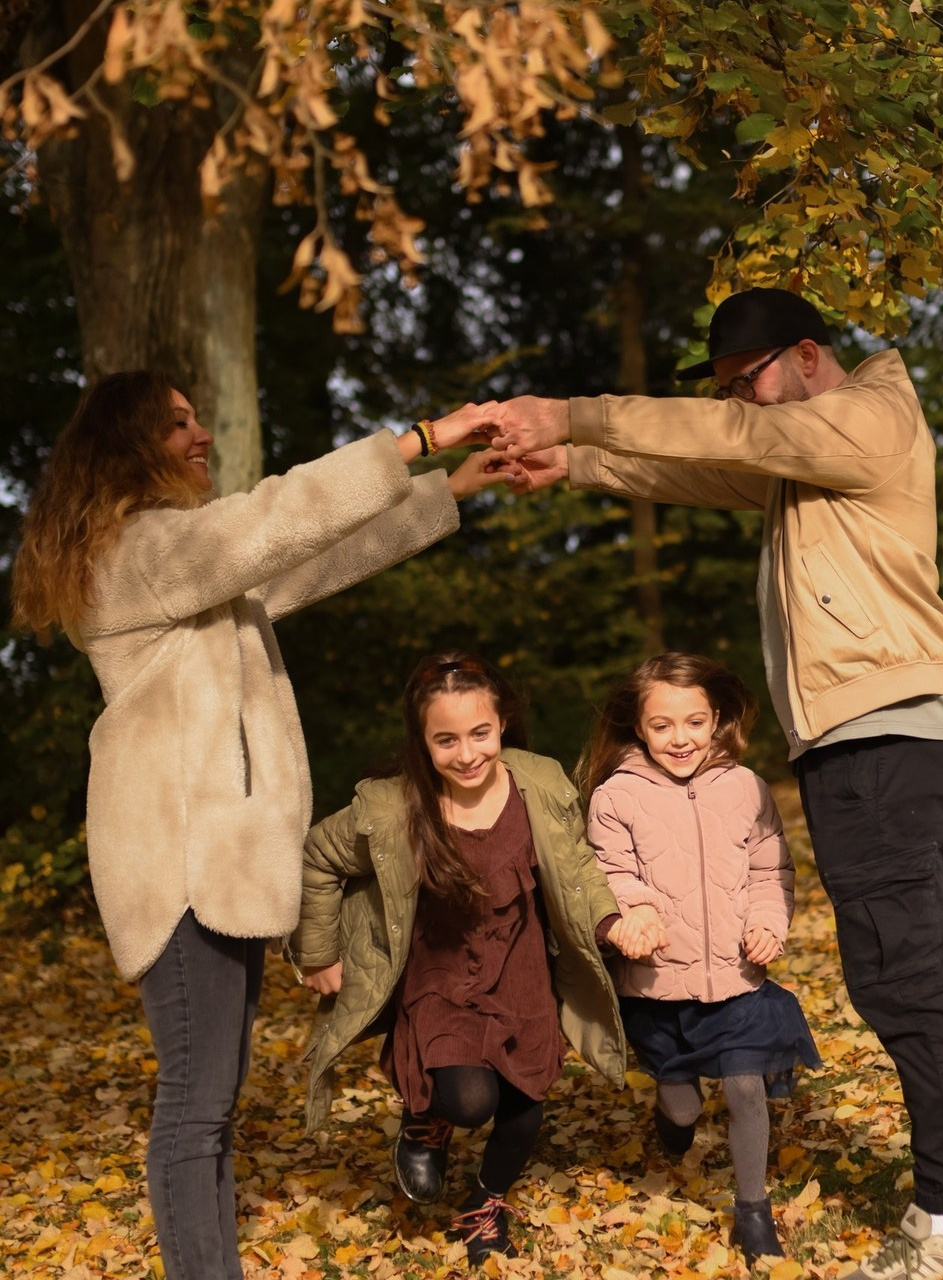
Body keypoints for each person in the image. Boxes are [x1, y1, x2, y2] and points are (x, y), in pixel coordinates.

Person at [484, 288, 943, 1280]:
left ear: (808, 355)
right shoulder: (808, 463)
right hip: (890, 735)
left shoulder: (865, 416)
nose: (743, 402)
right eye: (733, 388)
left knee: (901, 979)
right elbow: (700, 461)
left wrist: (569, 411)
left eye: (751, 381)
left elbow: (718, 431)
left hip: (875, 738)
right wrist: (572, 462)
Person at [8, 371, 506, 1280]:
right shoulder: (137, 552)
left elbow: (298, 561)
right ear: (126, 443)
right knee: (195, 1107)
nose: (199, 435)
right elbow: (273, 520)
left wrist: (449, 491)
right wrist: (421, 440)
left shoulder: (182, 564)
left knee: (213, 1105)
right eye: (177, 424)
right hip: (181, 868)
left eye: (199, 418)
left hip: (218, 868)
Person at [289, 652, 655, 1264]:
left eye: (480, 733)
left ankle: (484, 1202)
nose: (467, 753)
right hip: (439, 975)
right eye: (446, 739)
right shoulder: (391, 808)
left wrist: (613, 920)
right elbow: (318, 858)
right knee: (469, 1100)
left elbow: (577, 868)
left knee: (525, 1105)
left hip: (520, 967)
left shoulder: (538, 782)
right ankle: (426, 1117)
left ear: (503, 724)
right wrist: (319, 951)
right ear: (423, 741)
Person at [578, 651, 820, 1267]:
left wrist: (768, 922)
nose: (680, 738)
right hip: (658, 986)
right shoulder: (615, 797)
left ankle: (752, 1211)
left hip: (737, 980)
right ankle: (673, 1112)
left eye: (694, 722)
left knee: (744, 1086)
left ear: (717, 720)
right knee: (684, 1105)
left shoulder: (744, 787)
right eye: (662, 726)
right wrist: (633, 915)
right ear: (639, 727)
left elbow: (771, 868)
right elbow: (609, 873)